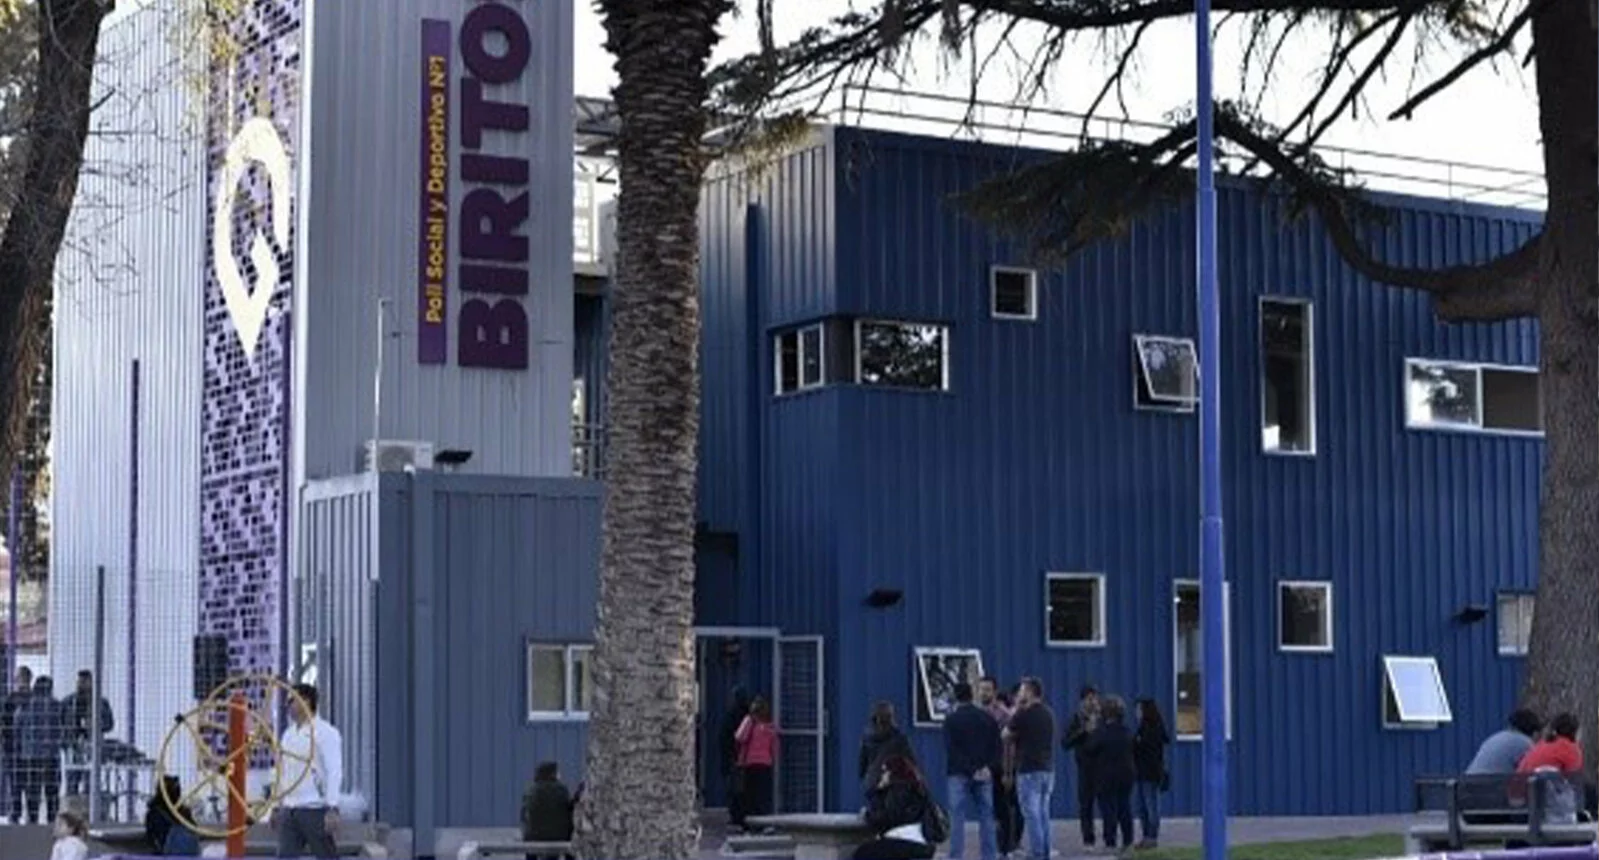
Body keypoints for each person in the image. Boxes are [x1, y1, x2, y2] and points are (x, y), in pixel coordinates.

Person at [275, 683, 345, 859]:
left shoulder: (325, 732)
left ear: (305, 701)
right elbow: (282, 771)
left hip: (315, 808)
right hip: (290, 809)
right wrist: (277, 805)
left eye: (292, 700)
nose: (287, 705)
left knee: (326, 855)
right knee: (285, 855)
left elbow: (334, 770)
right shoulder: (288, 734)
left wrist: (332, 806)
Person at [943, 682, 1000, 860]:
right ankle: (989, 856)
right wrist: (987, 767)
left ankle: (956, 856)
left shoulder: (951, 720)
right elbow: (997, 747)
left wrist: (970, 769)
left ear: (956, 697)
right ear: (971, 695)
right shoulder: (987, 719)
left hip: (959, 773)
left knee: (957, 818)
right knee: (986, 817)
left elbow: (951, 749)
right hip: (984, 773)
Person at [1004, 677, 1055, 860]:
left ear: (1031, 692)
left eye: (1023, 690)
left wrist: (1017, 706)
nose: (1020, 694)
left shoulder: (1023, 714)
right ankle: (1046, 850)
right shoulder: (1048, 713)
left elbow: (1005, 734)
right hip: (1047, 768)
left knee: (1031, 814)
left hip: (1028, 769)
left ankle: (1037, 853)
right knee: (1043, 813)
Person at [855, 755, 940, 860]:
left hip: (902, 840)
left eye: (884, 771)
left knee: (862, 853)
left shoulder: (897, 790)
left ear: (892, 772)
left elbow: (885, 818)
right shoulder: (917, 789)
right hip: (919, 842)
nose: (882, 775)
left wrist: (868, 811)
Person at [1086, 696, 1136, 854]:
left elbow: (1090, 748)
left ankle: (1110, 841)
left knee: (1108, 809)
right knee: (1124, 807)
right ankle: (1128, 841)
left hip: (1106, 775)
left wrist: (1092, 730)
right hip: (1127, 774)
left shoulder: (1102, 732)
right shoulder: (1127, 731)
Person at [1517, 712, 1585, 823]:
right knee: (1590, 792)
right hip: (1544, 805)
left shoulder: (1541, 745)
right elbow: (1574, 780)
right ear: (1576, 732)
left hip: (1520, 803)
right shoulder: (1570, 749)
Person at [978, 679, 1020, 859]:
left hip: (998, 767)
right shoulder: (975, 713)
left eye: (987, 690)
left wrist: (1008, 772)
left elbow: (1009, 745)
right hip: (979, 766)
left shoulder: (1003, 715)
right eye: (981, 689)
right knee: (985, 810)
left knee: (1002, 809)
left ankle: (1006, 848)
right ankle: (989, 848)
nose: (983, 693)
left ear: (994, 692)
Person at [15, 675, 64, 824]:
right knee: (52, 789)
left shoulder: (25, 705)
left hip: (30, 755)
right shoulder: (56, 705)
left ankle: (33, 818)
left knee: (32, 789)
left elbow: (17, 727)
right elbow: (63, 728)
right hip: (51, 754)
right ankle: (51, 818)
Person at [61, 670, 114, 799]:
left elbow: (110, 724)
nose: (81, 684)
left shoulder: (101, 702)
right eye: (79, 682)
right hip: (73, 746)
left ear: (91, 683)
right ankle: (72, 811)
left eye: (85, 682)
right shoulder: (68, 702)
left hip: (92, 746)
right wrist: (65, 740)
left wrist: (97, 725)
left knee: (91, 781)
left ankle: (90, 812)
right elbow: (60, 722)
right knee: (72, 780)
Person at [1061, 685, 1102, 851]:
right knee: (1086, 805)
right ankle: (1088, 840)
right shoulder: (1077, 719)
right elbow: (1065, 742)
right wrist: (1083, 731)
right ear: (1082, 701)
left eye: (1094, 698)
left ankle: (1109, 838)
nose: (1092, 702)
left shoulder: (1103, 717)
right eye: (1089, 699)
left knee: (1107, 803)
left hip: (1103, 767)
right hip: (1084, 767)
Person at [734, 697, 778, 829]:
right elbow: (775, 748)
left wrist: (748, 720)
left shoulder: (750, 723)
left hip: (750, 763)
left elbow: (739, 737)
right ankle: (764, 823)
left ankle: (749, 822)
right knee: (763, 795)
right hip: (765, 763)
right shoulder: (771, 727)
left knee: (749, 794)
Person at [1131, 699, 1170, 850]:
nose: (1137, 713)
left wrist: (1138, 743)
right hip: (1141, 773)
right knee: (1142, 807)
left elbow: (1144, 748)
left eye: (1139, 710)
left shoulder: (1153, 729)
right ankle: (1146, 836)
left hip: (1150, 774)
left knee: (1151, 806)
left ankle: (1152, 837)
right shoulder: (1142, 728)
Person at [520, 761, 575, 860]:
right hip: (560, 837)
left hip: (534, 837)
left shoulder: (531, 791)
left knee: (530, 847)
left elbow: (524, 815)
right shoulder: (561, 790)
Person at [860, 701, 916, 793]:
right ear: (891, 717)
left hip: (872, 784)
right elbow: (911, 763)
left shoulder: (867, 738)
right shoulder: (900, 739)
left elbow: (862, 768)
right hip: (894, 785)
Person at [2, 665, 34, 823]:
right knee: (18, 785)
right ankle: (18, 816)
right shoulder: (11, 700)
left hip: (24, 751)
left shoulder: (32, 700)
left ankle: (21, 816)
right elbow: (4, 725)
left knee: (23, 785)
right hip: (16, 750)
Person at [1467, 708, 1543, 774]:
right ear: (1535, 732)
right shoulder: (1525, 743)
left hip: (1468, 781)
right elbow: (1532, 769)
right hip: (1490, 785)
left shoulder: (1498, 736)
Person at [721, 687, 752, 824]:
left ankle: (736, 816)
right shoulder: (749, 716)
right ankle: (742, 815)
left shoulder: (731, 716)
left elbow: (726, 737)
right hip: (747, 757)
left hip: (735, 757)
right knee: (744, 789)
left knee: (735, 789)